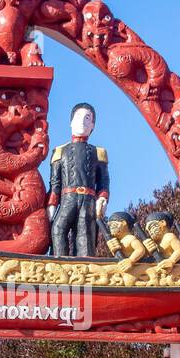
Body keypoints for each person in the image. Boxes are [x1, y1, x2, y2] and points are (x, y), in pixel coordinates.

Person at [47, 103, 109, 257]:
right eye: (79, 117)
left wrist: (102, 198)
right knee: (58, 228)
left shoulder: (98, 152)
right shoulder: (59, 151)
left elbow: (103, 181)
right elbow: (55, 182)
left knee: (85, 234)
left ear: (93, 125)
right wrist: (52, 203)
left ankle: (84, 268)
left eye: (88, 118)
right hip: (67, 197)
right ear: (71, 121)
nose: (83, 121)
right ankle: (59, 263)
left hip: (88, 199)